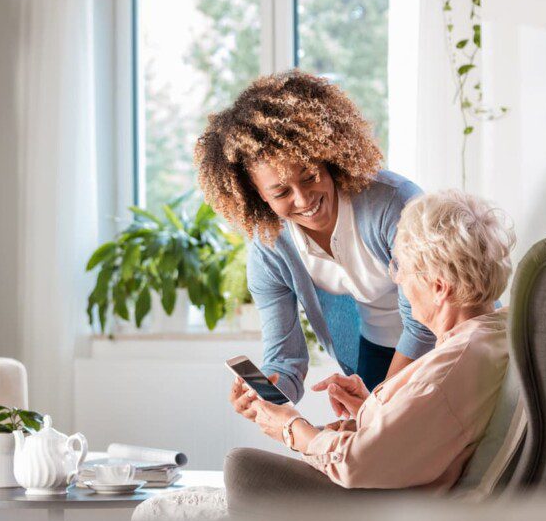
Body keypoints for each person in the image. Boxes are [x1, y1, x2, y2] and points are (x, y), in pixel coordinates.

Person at [227, 190, 516, 492]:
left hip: (392, 507)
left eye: (401, 267)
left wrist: (289, 426)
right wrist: (371, 408)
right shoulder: (491, 335)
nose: (398, 279)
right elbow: (427, 430)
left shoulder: (449, 368)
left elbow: (355, 462)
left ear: (439, 288)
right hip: (398, 481)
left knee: (242, 466)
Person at [194, 70, 435, 418]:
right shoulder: (271, 248)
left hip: (443, 345)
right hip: (377, 353)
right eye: (280, 192)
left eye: (310, 176)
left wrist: (379, 407)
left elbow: (423, 321)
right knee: (375, 465)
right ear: (256, 195)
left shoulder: (392, 204)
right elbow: (287, 360)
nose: (303, 198)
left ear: (328, 157)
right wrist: (268, 392)